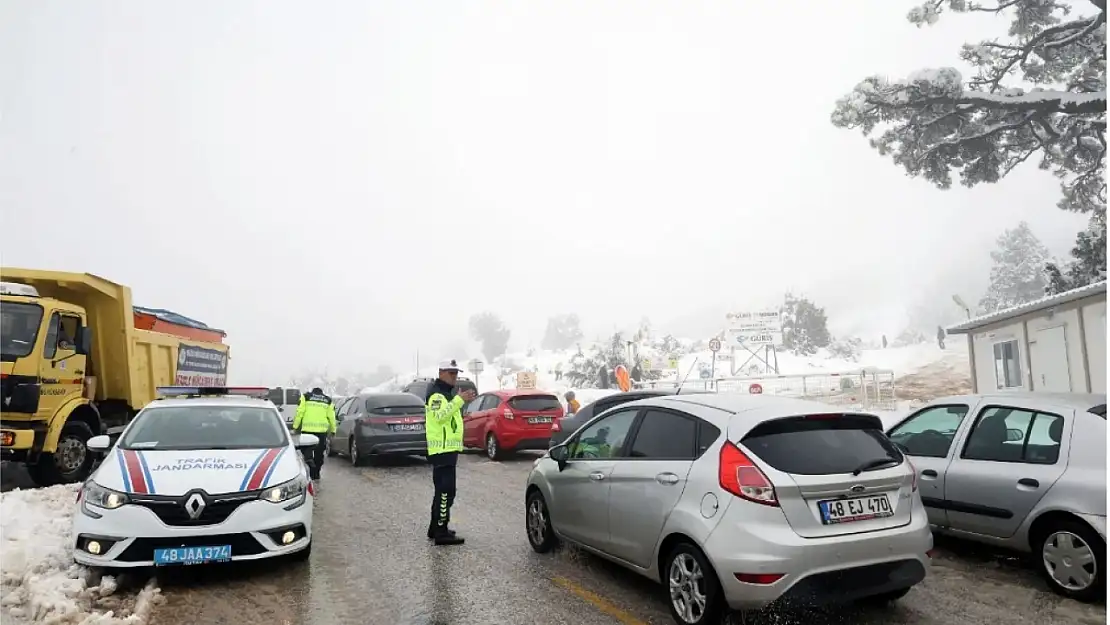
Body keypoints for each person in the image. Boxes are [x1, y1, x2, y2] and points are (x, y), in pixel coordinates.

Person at [425, 360, 476, 546]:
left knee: (443, 491)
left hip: (448, 449)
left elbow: (449, 419)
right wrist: (459, 400)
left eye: (456, 373)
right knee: (446, 492)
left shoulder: (446, 393)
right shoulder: (437, 395)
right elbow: (439, 417)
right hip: (442, 450)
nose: (455, 377)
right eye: (451, 373)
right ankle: (441, 531)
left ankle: (435, 527)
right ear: (442, 373)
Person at [291, 387, 336, 480]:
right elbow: (331, 416)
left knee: (306, 450)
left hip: (307, 430)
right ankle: (316, 473)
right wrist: (333, 430)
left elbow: (300, 412)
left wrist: (295, 427)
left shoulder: (306, 397)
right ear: (321, 393)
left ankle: (309, 461)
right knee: (319, 453)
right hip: (321, 432)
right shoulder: (327, 400)